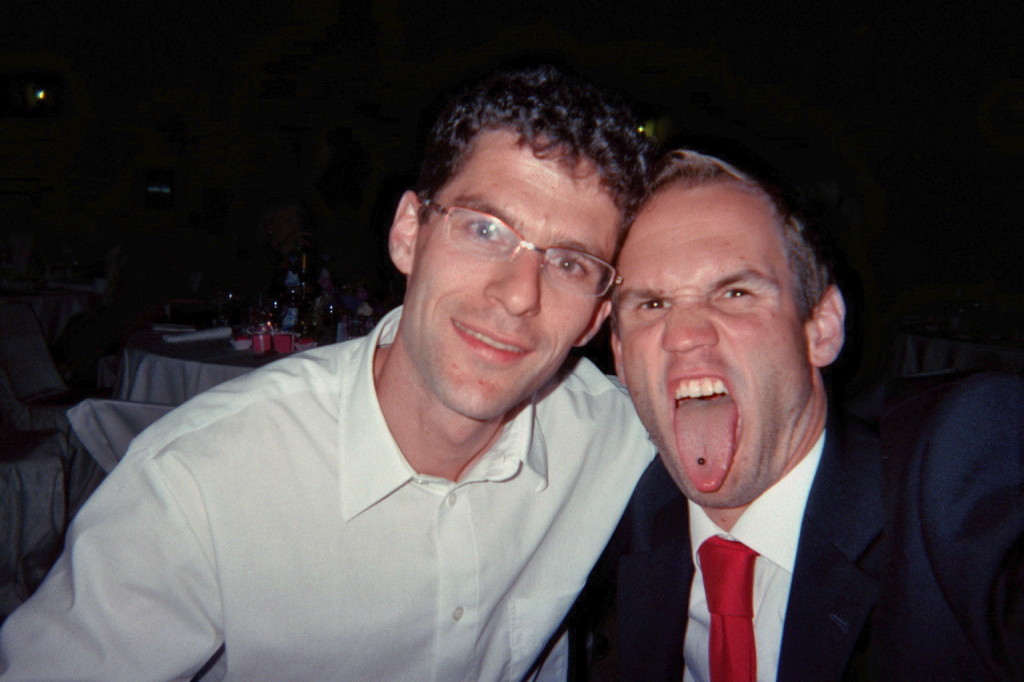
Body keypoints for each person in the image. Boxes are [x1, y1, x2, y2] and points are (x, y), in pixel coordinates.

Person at [0, 64, 657, 680]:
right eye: (484, 230)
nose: (518, 295)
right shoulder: (201, 484)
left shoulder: (622, 434)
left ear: (596, 316)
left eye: (569, 263)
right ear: (408, 233)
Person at [589, 147, 1024, 680]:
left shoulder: (955, 475)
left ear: (821, 329)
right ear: (620, 356)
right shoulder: (616, 514)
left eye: (734, 292)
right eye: (652, 304)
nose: (682, 335)